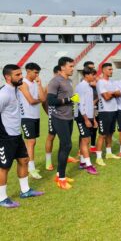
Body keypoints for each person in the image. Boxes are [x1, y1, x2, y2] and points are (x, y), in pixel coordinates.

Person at [0, 64, 44, 208]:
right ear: (8, 77)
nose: (21, 77)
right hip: (5, 136)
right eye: (17, 75)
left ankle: (25, 190)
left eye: (21, 74)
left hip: (16, 134)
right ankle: (2, 198)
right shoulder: (4, 93)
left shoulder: (16, 90)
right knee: (4, 167)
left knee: (24, 160)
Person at [47, 56, 80, 190]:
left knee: (63, 146)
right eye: (70, 66)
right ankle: (61, 179)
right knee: (67, 145)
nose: (73, 68)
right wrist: (69, 100)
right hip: (58, 117)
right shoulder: (55, 81)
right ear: (62, 67)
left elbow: (70, 99)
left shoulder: (69, 80)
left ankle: (59, 175)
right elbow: (51, 100)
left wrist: (73, 102)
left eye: (73, 66)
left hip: (68, 117)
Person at [18, 62, 46, 179]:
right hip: (26, 117)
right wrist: (38, 99)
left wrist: (39, 85)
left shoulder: (35, 83)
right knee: (31, 141)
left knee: (31, 142)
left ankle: (28, 164)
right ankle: (31, 168)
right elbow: (31, 100)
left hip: (35, 116)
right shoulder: (23, 84)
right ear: (28, 71)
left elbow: (43, 98)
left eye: (38, 73)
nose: (37, 75)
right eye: (35, 72)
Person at [95, 63, 121, 166]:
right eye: (110, 69)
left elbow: (119, 93)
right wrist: (113, 93)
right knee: (102, 134)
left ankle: (109, 153)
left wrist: (111, 93)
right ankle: (98, 157)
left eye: (112, 69)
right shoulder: (100, 82)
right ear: (104, 70)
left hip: (114, 110)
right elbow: (106, 97)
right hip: (104, 111)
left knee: (110, 133)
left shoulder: (113, 82)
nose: (111, 71)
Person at [74, 67, 98, 174]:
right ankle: (88, 165)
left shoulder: (88, 87)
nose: (94, 77)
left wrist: (94, 119)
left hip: (89, 116)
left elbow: (90, 104)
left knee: (86, 140)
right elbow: (79, 104)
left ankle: (83, 162)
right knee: (85, 140)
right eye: (93, 75)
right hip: (82, 116)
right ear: (86, 75)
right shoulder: (81, 87)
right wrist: (86, 119)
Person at [83, 61, 99, 153]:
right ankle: (83, 149)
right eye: (91, 68)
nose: (93, 69)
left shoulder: (93, 80)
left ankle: (92, 145)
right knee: (86, 129)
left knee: (94, 127)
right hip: (87, 109)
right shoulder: (84, 83)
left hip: (95, 107)